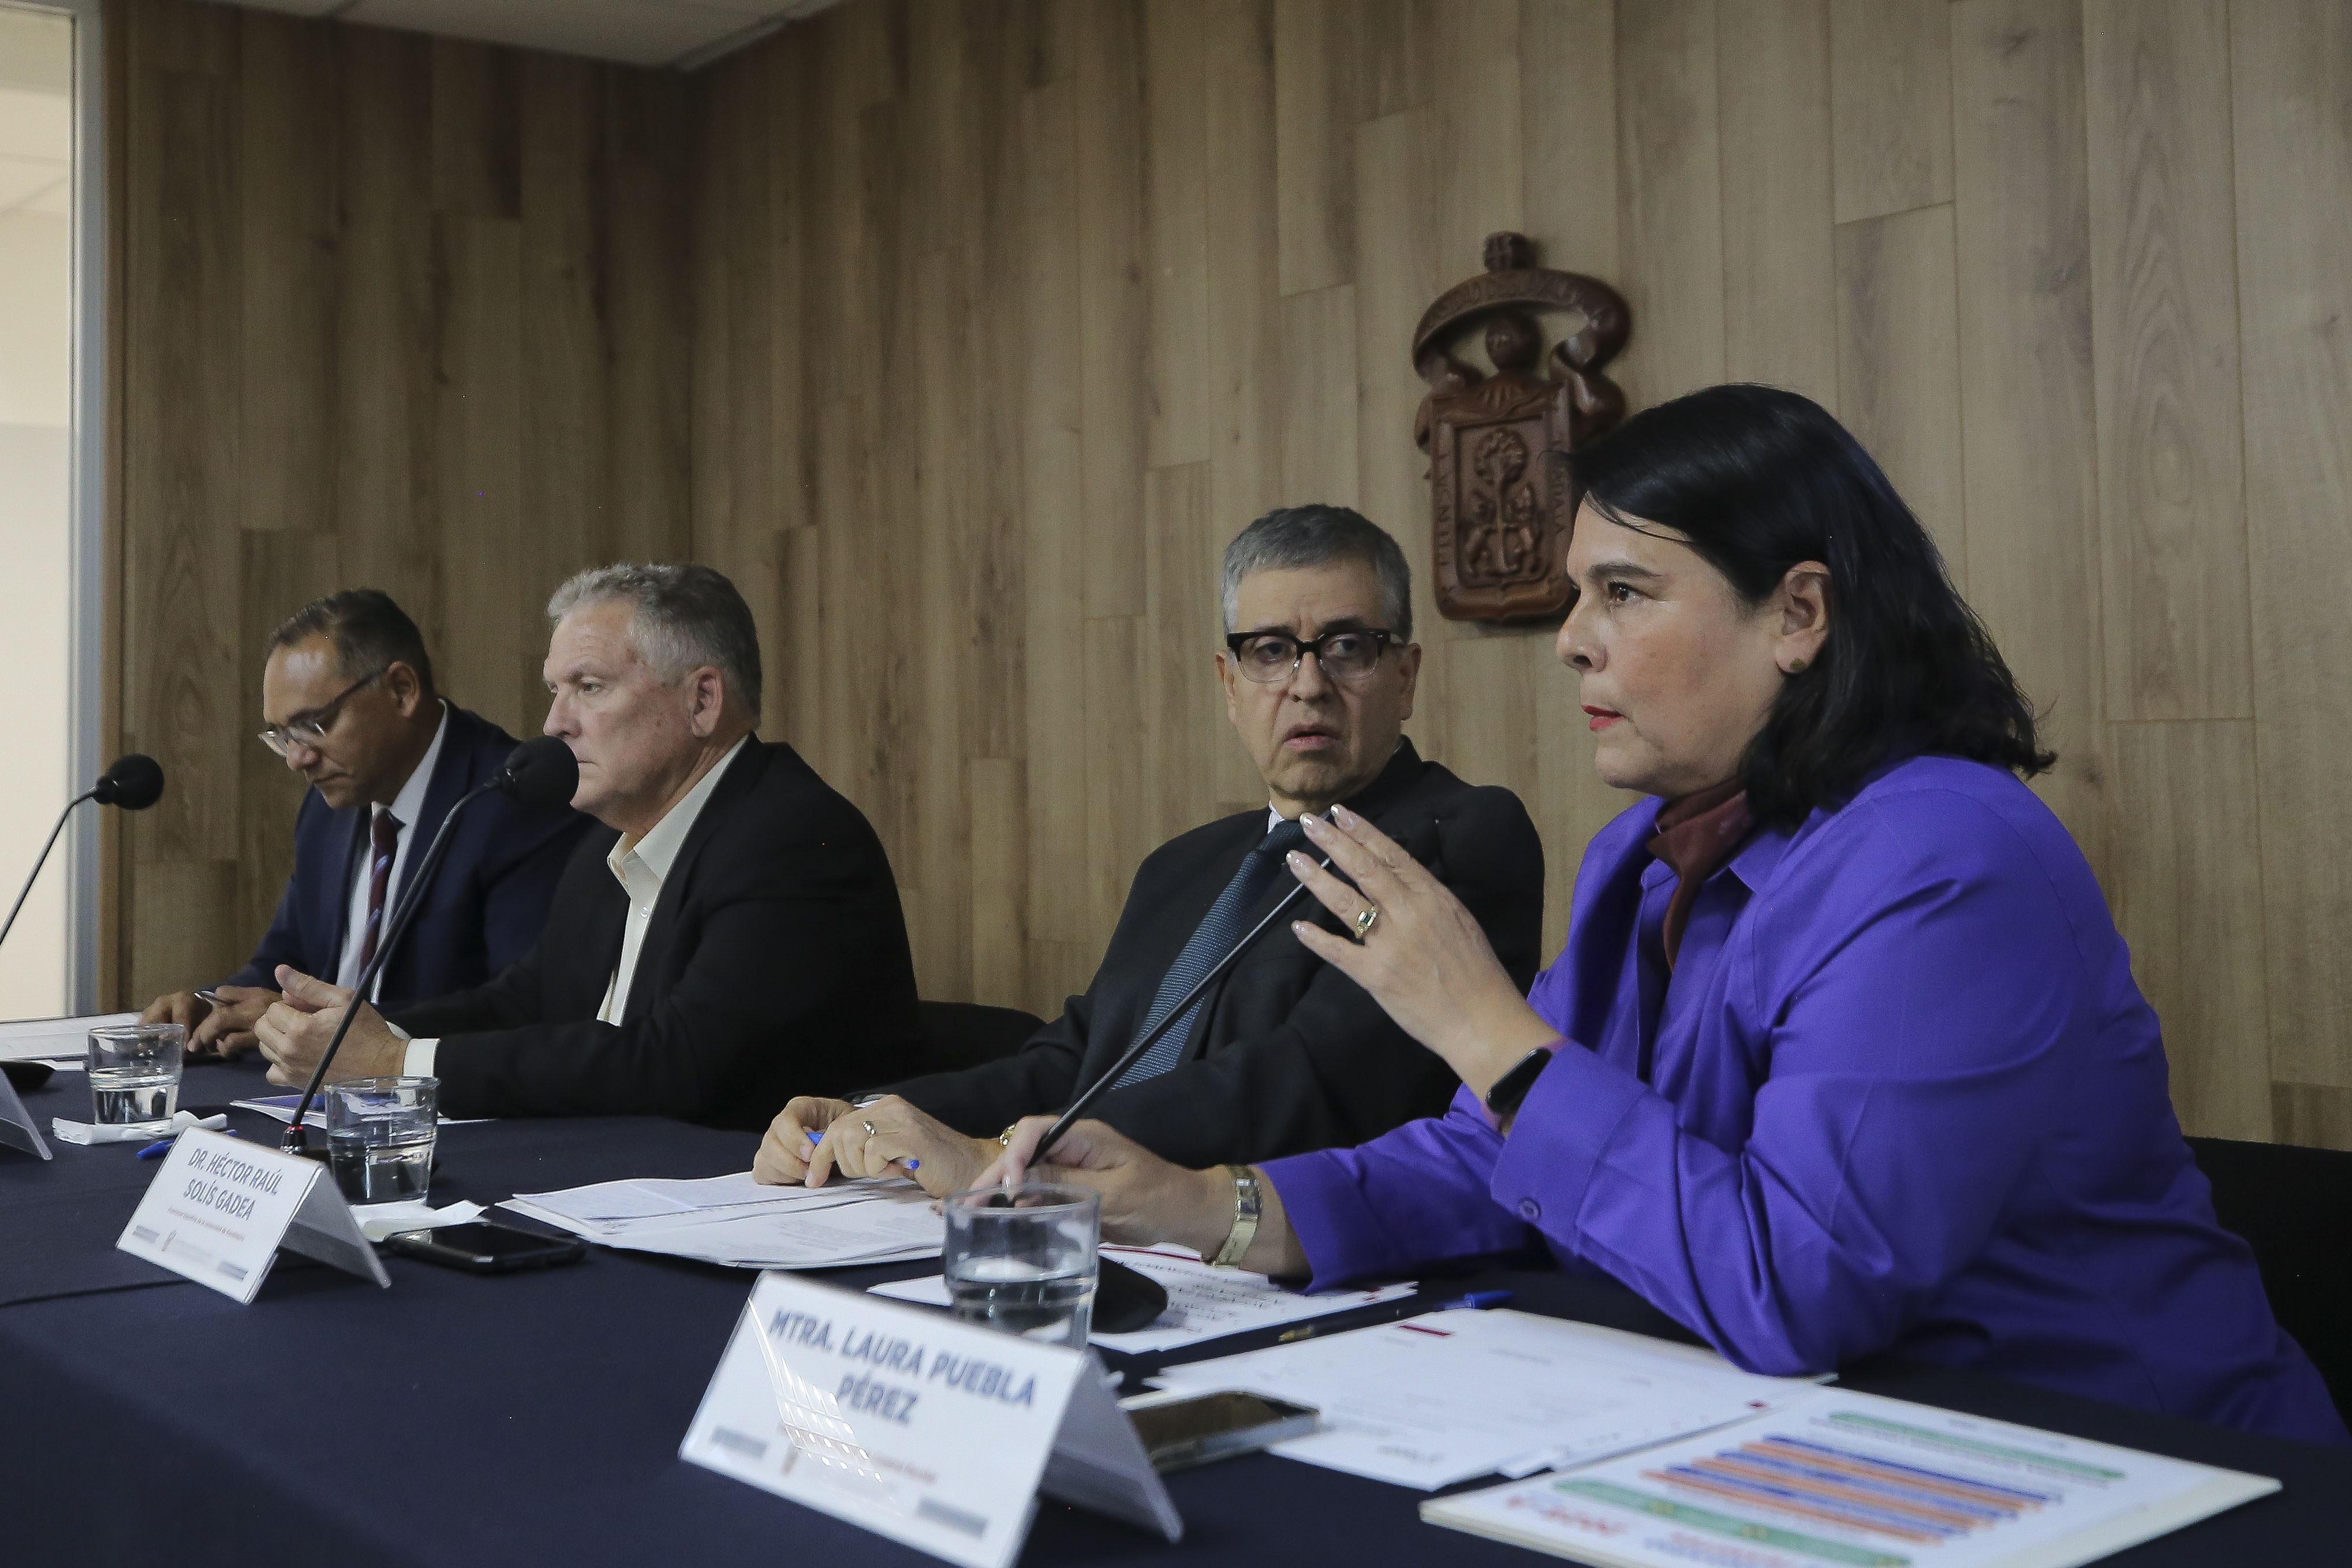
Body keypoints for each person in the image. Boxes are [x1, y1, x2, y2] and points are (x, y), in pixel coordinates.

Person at [985, 386, 2349, 1443]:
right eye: (1581, 595)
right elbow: (1488, 1159)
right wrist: (1200, 1204)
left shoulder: (1946, 861)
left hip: (2129, 1469)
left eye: (1624, 593)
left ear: (1797, 614)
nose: (1573, 637)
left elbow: (1801, 1282)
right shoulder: (1645, 852)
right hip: (1812, 1439)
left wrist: (1491, 1031)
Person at [754, 505, 1545, 1195]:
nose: (1307, 685)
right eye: (1270, 651)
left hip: (1280, 1249)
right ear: (1229, 684)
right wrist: (872, 1116)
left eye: (1345, 647)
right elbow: (1072, 1059)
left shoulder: (1456, 835)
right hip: (1087, 1222)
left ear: (1404, 677)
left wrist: (1012, 1152)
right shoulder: (1182, 866)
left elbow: (1310, 1082)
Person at [249, 563, 923, 1128]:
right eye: (555, 690)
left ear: (703, 701)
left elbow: (676, 1064)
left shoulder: (791, 838)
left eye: (589, 688)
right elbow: (523, 1003)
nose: (554, 723)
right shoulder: (611, 842)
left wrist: (395, 1065)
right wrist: (365, 1029)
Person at [141, 590, 590, 1056]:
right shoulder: (329, 805)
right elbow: (283, 966)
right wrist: (210, 1007)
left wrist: (315, 1025)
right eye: (283, 736)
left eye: (314, 725)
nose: (297, 759)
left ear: (402, 690)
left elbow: (517, 1008)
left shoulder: (515, 803)